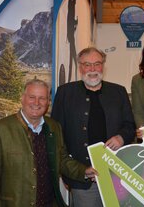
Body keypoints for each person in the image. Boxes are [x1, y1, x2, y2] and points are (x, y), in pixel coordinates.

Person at [0, 79, 97, 207]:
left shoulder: (54, 127)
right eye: (32, 97)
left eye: (42, 98)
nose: (36, 103)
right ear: (22, 98)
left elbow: (62, 160)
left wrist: (84, 171)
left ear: (48, 102)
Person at [51, 47, 136, 207]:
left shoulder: (118, 92)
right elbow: (56, 135)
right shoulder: (65, 93)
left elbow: (130, 125)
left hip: (116, 176)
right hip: (84, 179)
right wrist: (71, 172)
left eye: (97, 64)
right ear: (80, 66)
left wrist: (121, 137)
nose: (92, 69)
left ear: (103, 66)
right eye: (87, 64)